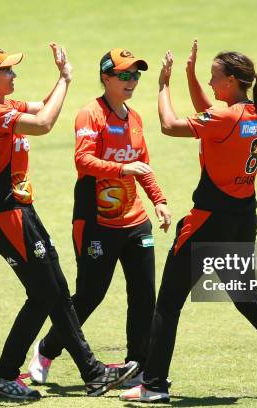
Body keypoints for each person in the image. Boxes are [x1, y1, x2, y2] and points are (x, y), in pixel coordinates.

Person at [120, 40, 257, 403]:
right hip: (242, 221)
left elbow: (170, 125)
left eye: (214, 77)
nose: (211, 83)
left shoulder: (225, 118)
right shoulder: (252, 114)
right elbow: (210, 111)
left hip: (207, 223)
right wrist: (188, 74)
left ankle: (153, 385)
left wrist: (163, 85)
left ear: (231, 81)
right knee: (250, 301)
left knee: (168, 303)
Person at [0, 44, 138, 399]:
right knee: (45, 294)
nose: (14, 75)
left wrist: (63, 78)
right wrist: (65, 81)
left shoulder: (6, 106)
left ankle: (92, 372)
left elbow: (40, 107)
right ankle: (4, 374)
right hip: (6, 215)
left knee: (54, 291)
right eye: (7, 71)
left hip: (22, 212)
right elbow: (43, 123)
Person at [28, 48, 171, 388]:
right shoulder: (89, 114)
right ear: (106, 77)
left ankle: (135, 366)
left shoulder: (135, 118)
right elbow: (84, 161)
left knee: (143, 296)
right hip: (96, 222)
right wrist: (123, 167)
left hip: (135, 222)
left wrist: (159, 200)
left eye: (136, 75)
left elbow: (143, 163)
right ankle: (47, 351)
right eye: (124, 75)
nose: (131, 81)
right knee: (91, 294)